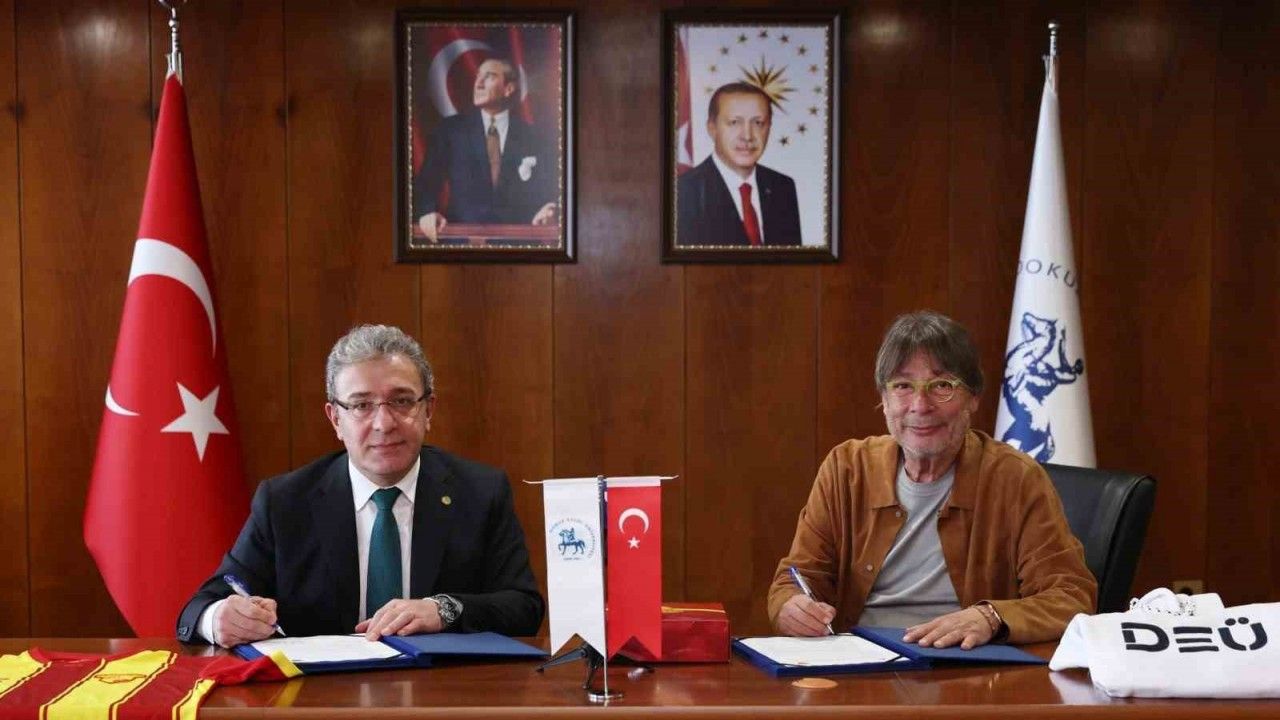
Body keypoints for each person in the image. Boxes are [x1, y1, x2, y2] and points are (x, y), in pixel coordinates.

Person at [177, 324, 544, 647]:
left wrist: (443, 610)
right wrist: (220, 618)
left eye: (402, 401)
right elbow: (200, 608)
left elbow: (524, 608)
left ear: (428, 410)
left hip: (442, 691)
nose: (384, 423)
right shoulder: (285, 502)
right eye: (362, 405)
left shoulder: (480, 492)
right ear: (335, 419)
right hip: (321, 694)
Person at [768, 311, 1095, 648]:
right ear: (884, 400)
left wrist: (991, 617)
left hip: (963, 664)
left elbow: (1070, 596)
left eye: (942, 386)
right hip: (859, 662)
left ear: (973, 397)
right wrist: (791, 606)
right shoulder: (847, 469)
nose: (920, 405)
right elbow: (794, 581)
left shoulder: (1014, 478)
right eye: (903, 386)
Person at [413, 56, 558, 242]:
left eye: (489, 76)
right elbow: (426, 184)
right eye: (478, 76)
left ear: (508, 89)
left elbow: (551, 187)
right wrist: (427, 212)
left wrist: (550, 207)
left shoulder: (534, 136)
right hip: (461, 245)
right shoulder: (451, 130)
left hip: (517, 246)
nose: (478, 83)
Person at [676, 82, 802, 247]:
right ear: (712, 128)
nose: (747, 136)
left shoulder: (782, 187)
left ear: (769, 128)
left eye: (758, 123)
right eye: (734, 122)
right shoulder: (684, 192)